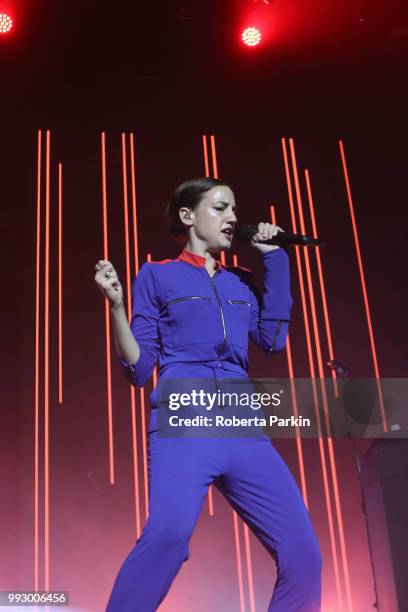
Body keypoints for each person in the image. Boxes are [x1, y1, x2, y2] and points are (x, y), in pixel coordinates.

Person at [94, 177, 322, 611]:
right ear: (188, 216)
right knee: (168, 537)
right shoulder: (157, 275)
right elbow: (140, 369)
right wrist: (118, 308)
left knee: (304, 555)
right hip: (186, 420)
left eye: (233, 209)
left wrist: (276, 261)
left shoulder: (241, 281)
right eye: (220, 208)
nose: (232, 218)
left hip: (242, 425)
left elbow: (272, 340)